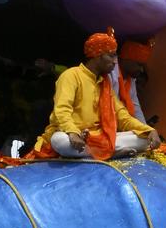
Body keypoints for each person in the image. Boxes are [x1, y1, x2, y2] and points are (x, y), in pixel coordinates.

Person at [34, 31, 156, 160]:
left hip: (100, 138)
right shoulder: (71, 75)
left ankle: (98, 153)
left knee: (143, 140)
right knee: (60, 141)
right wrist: (73, 132)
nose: (115, 62)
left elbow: (122, 115)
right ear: (98, 55)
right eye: (111, 56)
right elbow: (62, 110)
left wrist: (148, 130)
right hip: (71, 134)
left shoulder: (105, 82)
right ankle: (108, 152)